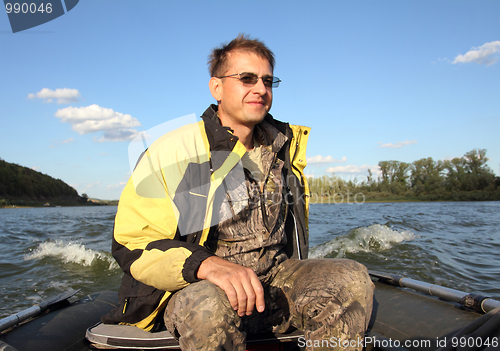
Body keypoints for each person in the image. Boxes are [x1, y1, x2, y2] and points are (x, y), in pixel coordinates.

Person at [102, 34, 374, 351]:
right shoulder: (172, 151)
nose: (260, 89)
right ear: (216, 87)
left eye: (268, 81)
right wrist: (204, 266)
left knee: (351, 278)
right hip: (199, 288)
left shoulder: (283, 147)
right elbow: (133, 243)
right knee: (208, 306)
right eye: (247, 78)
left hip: (274, 279)